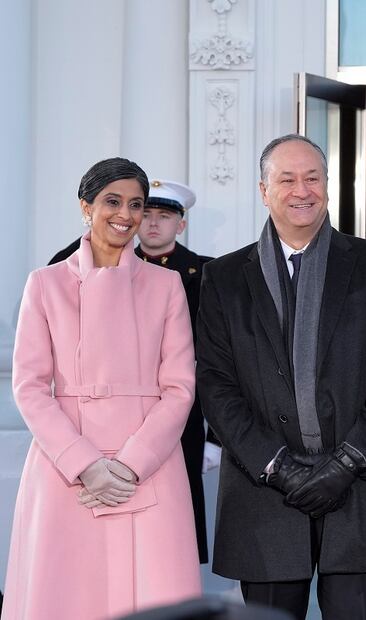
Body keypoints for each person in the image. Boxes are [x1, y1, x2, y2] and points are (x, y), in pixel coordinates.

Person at [196, 134, 366, 619]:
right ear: (263, 190)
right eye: (287, 179)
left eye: (312, 177)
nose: (302, 190)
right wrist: (277, 466)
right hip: (264, 492)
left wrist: (348, 462)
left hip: (358, 489)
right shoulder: (226, 278)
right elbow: (216, 385)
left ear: (327, 185)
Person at [3, 158, 201, 619]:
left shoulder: (167, 284)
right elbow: (29, 386)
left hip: (149, 467)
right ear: (85, 206)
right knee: (68, 595)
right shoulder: (45, 284)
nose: (127, 214)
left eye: (136, 204)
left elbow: (179, 387)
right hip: (66, 467)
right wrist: (85, 464)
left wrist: (130, 465)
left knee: (155, 595)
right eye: (113, 201)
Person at [136, 178, 219, 564]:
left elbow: (223, 362)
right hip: (123, 415)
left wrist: (216, 436)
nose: (153, 223)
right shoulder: (106, 267)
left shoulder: (208, 274)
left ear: (181, 224)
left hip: (186, 417)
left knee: (175, 531)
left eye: (164, 216)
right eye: (145, 213)